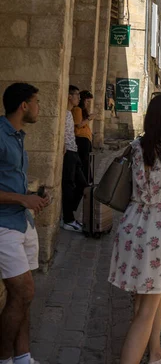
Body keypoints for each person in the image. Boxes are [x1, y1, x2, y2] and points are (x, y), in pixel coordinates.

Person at [109, 93, 161, 364]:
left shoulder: (135, 147)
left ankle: (155, 351)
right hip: (159, 234)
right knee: (146, 308)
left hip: (131, 227)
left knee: (146, 298)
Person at [0, 83, 49, 364]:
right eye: (37, 102)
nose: (39, 108)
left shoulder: (18, 136)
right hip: (4, 225)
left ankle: (23, 356)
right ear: (24, 106)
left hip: (22, 222)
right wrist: (22, 199)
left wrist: (33, 198)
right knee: (24, 291)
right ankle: (5, 357)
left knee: (24, 296)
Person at [61, 86, 87, 233]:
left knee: (82, 185)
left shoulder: (69, 113)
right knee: (69, 186)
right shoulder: (64, 113)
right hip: (69, 153)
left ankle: (68, 214)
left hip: (74, 152)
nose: (79, 98)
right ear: (69, 96)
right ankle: (68, 219)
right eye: (76, 95)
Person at [72, 90, 94, 182]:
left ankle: (86, 181)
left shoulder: (82, 110)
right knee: (84, 163)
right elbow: (79, 124)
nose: (88, 104)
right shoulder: (77, 109)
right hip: (81, 139)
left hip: (85, 139)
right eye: (87, 101)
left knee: (86, 162)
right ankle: (84, 182)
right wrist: (89, 118)